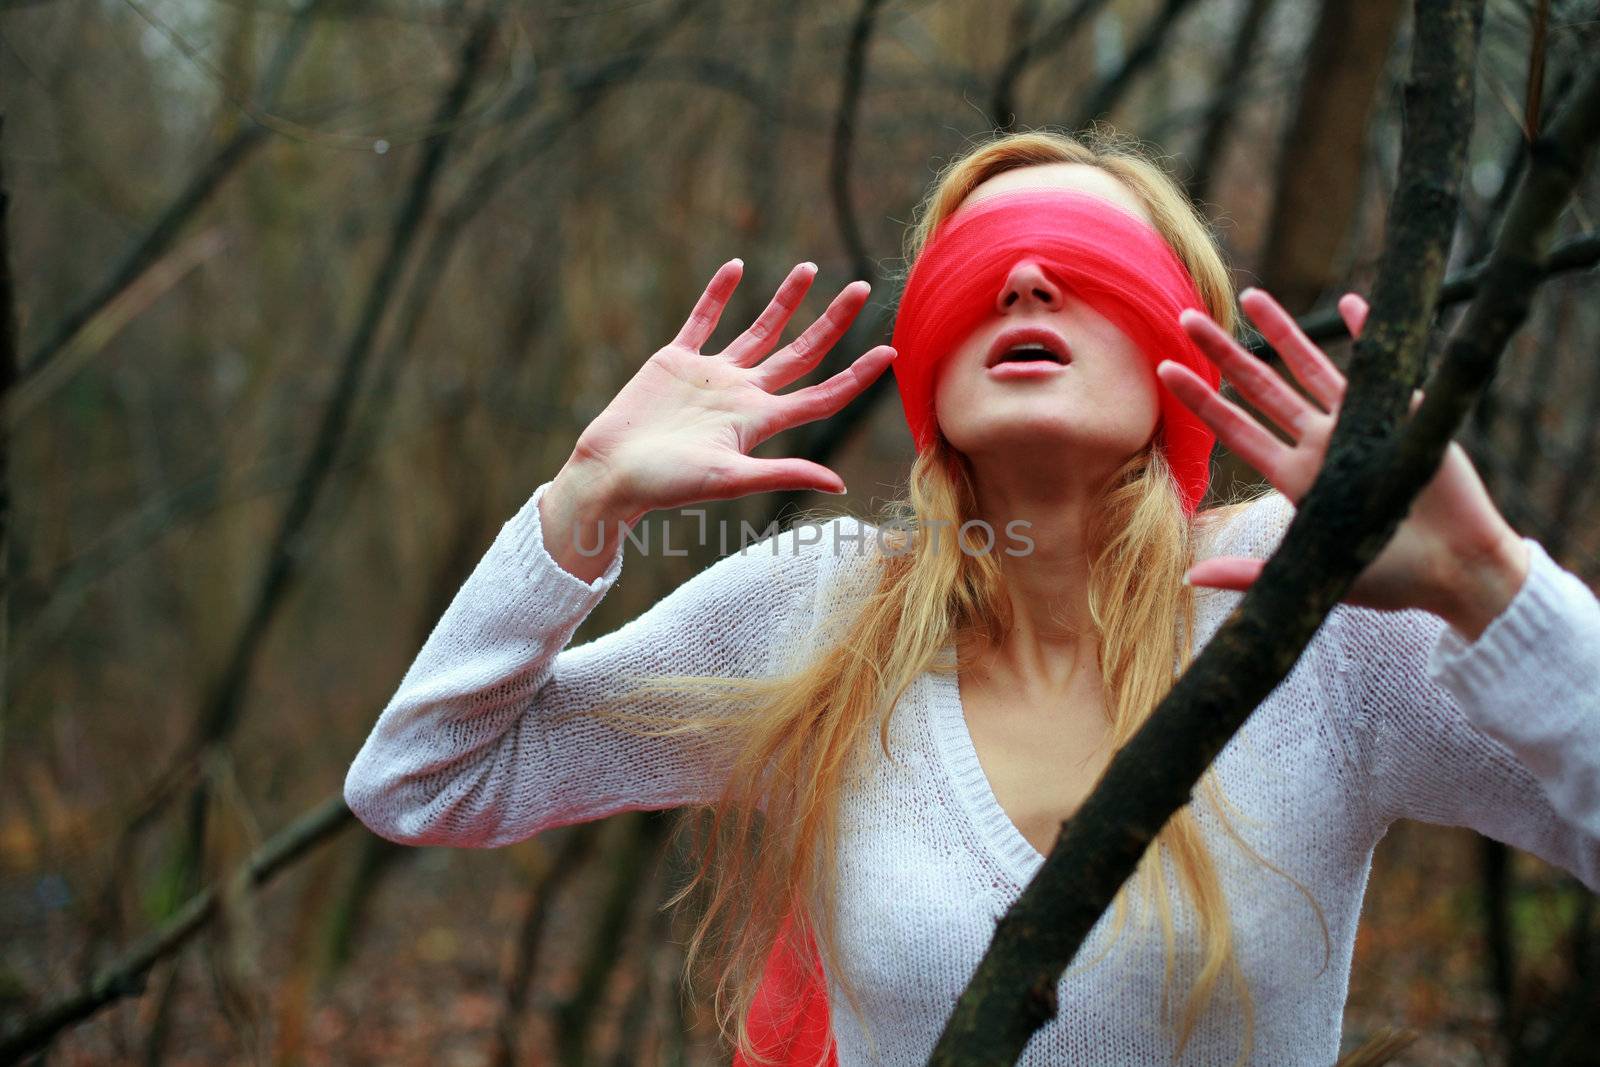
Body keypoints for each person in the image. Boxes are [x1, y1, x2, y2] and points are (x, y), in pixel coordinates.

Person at [342, 129, 1600, 1066]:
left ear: (1189, 345)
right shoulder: (821, 609)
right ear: (932, 364)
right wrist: (581, 501)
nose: (1026, 284)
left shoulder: (1310, 606)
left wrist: (1493, 588)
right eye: (984, 262)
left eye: (1090, 261)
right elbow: (425, 777)